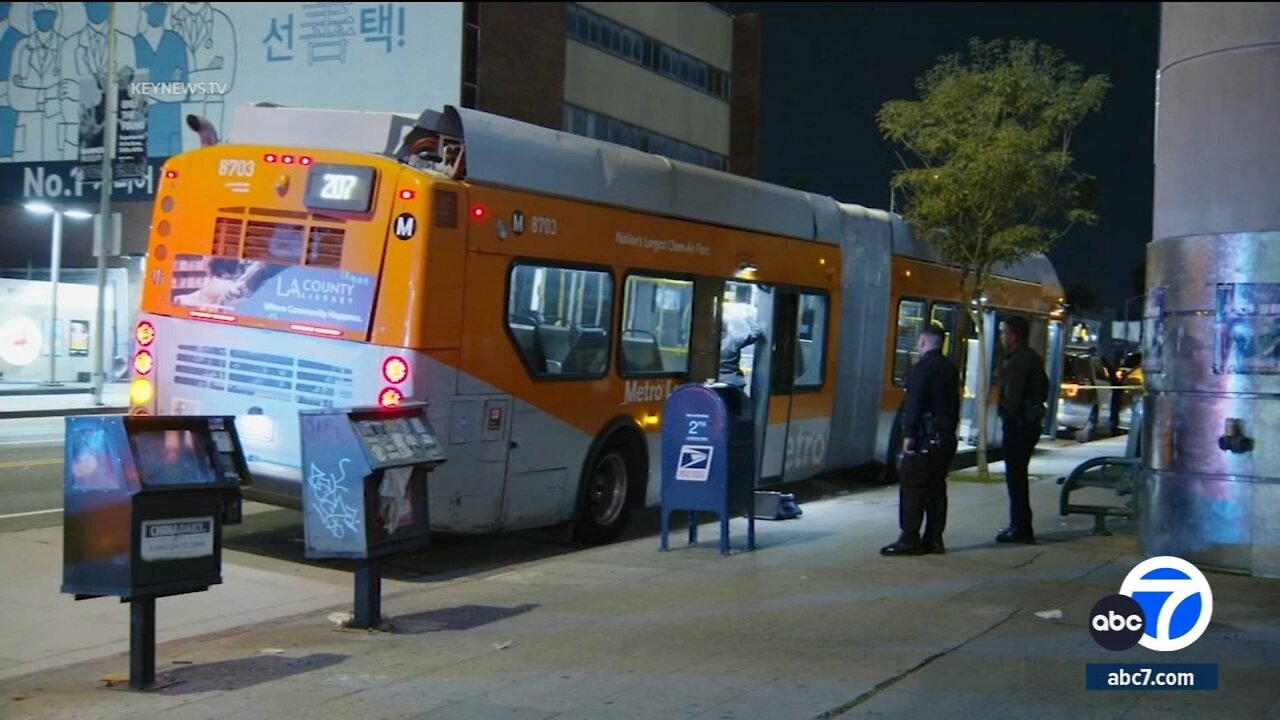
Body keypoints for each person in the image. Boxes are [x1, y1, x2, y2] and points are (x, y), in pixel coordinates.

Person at [881, 324, 959, 556]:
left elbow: (913, 406)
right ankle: (934, 539)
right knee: (936, 489)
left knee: (913, 488)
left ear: (922, 343)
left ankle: (909, 538)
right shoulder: (951, 369)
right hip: (945, 439)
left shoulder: (920, 369)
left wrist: (908, 436)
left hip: (925, 439)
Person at [995, 316, 1049, 544]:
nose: (1002, 337)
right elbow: (1044, 388)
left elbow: (1012, 399)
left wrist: (1008, 415)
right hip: (1029, 425)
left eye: (1004, 333)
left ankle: (1020, 526)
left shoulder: (1017, 362)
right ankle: (1020, 524)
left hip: (1018, 427)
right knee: (1019, 478)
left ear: (1013, 336)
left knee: (1015, 479)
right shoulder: (1033, 359)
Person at [719, 303, 764, 389]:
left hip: (716, 382)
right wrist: (748, 317)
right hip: (734, 382)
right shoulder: (733, 340)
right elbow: (756, 333)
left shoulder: (706, 344)